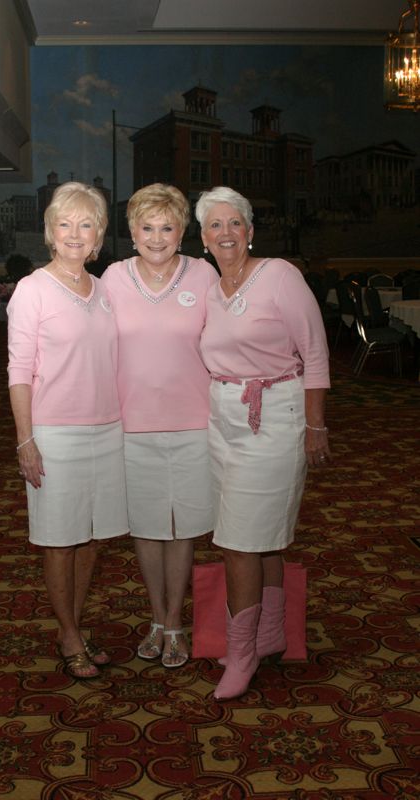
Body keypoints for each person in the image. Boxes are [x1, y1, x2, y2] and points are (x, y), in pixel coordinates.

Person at [195, 187, 331, 700]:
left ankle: (243, 652)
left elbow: (314, 354)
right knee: (264, 535)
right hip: (223, 417)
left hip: (275, 414)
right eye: (214, 225)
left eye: (235, 223)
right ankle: (270, 635)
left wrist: (315, 425)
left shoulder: (280, 276)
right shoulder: (212, 289)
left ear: (250, 232)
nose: (225, 232)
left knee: (238, 541)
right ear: (204, 238)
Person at [7, 181, 128, 680]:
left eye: (87, 224)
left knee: (92, 538)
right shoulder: (32, 289)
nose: (75, 234)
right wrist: (25, 439)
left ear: (99, 236)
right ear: (50, 234)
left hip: (108, 430)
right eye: (65, 224)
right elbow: (19, 370)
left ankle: (71, 626)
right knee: (60, 539)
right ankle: (70, 634)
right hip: (55, 434)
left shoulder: (103, 291)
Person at [102, 183, 218, 668]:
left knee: (182, 529)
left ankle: (174, 621)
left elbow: (229, 338)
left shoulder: (204, 275)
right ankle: (157, 618)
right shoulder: (111, 278)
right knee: (147, 529)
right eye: (146, 227)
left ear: (182, 231)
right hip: (132, 426)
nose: (156, 237)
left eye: (166, 227)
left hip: (194, 424)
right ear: (131, 232)